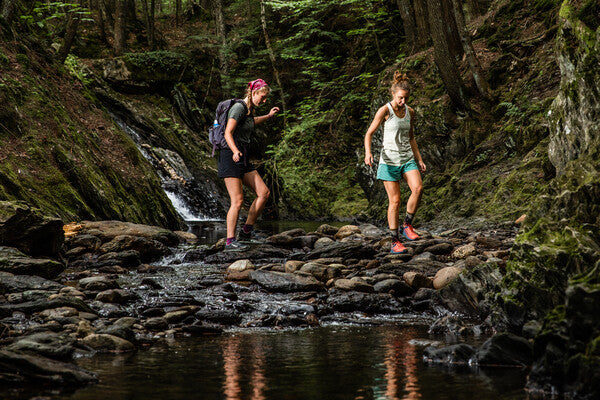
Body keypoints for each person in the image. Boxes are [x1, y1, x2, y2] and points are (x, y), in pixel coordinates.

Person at [364, 71, 426, 254]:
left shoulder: (410, 112)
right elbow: (369, 134)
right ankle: (394, 241)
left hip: (407, 158)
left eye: (406, 98)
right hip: (389, 161)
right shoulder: (385, 110)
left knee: (418, 188)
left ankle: (407, 225)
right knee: (395, 201)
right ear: (393, 94)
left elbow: (412, 138)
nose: (403, 102)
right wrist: (368, 153)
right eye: (400, 98)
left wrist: (419, 159)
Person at [220, 78, 280, 252]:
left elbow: (250, 123)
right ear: (253, 93)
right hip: (231, 155)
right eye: (263, 96)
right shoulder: (239, 108)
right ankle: (230, 241)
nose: (264, 100)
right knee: (237, 201)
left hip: (242, 155)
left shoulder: (249, 109)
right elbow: (227, 132)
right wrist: (234, 151)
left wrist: (268, 116)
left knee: (264, 193)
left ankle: (246, 231)